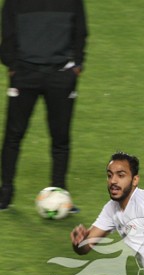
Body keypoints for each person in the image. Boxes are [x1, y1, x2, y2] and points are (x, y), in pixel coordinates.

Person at [0, 0, 87, 211]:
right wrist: (13, 66)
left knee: (60, 137)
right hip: (24, 75)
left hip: (60, 76)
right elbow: (7, 33)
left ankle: (61, 194)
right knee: (13, 135)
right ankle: (5, 193)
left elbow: (80, 31)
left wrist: (76, 66)